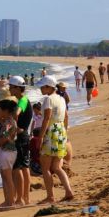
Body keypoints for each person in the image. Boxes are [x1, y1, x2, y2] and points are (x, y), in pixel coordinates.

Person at [36, 76, 74, 204]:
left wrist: (40, 137)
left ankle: (50, 196)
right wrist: (65, 131)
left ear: (49, 87)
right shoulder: (61, 99)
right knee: (57, 167)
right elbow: (66, 116)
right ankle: (68, 191)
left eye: (42, 86)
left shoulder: (48, 99)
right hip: (61, 130)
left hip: (51, 131)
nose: (41, 88)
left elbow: (46, 118)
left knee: (45, 167)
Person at [0, 98, 20, 208]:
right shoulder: (10, 121)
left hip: (6, 152)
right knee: (7, 178)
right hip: (10, 152)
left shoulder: (8, 122)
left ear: (5, 111)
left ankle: (10, 201)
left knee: (7, 178)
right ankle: (9, 200)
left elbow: (5, 137)